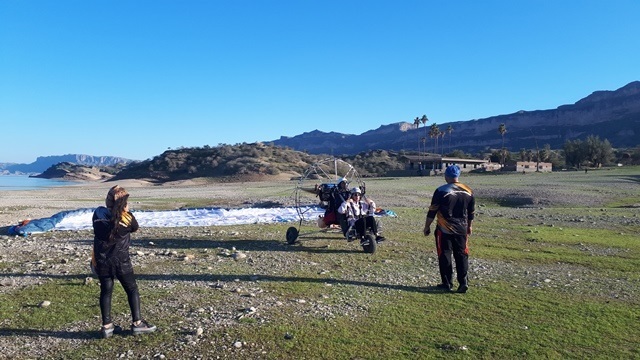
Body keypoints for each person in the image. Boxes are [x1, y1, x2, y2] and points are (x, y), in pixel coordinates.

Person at [92, 185, 157, 338]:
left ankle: (107, 326)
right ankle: (137, 323)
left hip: (102, 260)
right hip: (121, 261)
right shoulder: (126, 218)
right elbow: (135, 228)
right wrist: (126, 211)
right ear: (123, 203)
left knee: (106, 291)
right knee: (132, 289)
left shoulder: (98, 213)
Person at [423, 165, 475, 293]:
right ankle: (463, 282)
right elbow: (471, 212)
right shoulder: (468, 191)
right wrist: (469, 226)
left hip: (444, 229)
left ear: (446, 176)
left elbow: (432, 211)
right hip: (462, 228)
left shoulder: (441, 190)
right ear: (458, 176)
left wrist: (427, 226)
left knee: (444, 254)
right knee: (462, 254)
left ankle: (447, 283)